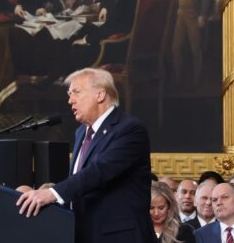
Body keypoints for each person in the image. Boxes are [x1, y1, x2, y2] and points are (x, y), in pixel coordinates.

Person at [16, 67, 154, 243]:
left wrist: (52, 193)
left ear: (100, 95)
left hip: (119, 236)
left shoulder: (129, 129)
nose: (70, 100)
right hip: (84, 233)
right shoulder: (82, 132)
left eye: (76, 92)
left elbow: (99, 171)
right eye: (69, 93)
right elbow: (80, 185)